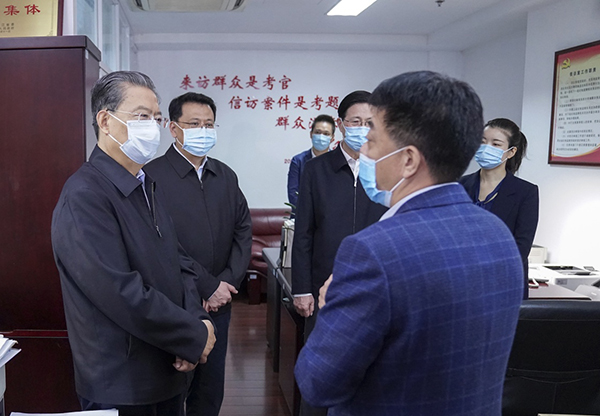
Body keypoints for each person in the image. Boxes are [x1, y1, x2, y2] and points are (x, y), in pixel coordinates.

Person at [294, 71, 524, 416]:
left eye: (372, 141)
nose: (364, 150)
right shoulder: (498, 234)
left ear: (408, 160)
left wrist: (331, 308)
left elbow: (318, 382)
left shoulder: (373, 252)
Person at [51, 71, 215, 416]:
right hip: (124, 382)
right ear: (105, 121)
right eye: (142, 116)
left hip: (168, 368)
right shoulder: (84, 195)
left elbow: (179, 262)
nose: (152, 127)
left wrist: (199, 320)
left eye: (156, 118)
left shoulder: (145, 184)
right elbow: (119, 292)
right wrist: (191, 335)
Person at [144, 92, 252, 416]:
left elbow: (243, 229)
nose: (203, 131)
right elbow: (159, 243)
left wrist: (226, 283)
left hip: (220, 303)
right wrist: (205, 286)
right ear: (173, 128)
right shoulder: (151, 177)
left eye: (209, 124)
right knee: (173, 390)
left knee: (210, 391)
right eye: (194, 124)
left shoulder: (225, 175)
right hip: (176, 302)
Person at [292, 91, 386, 416]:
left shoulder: (386, 169)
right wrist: (301, 289)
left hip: (374, 288)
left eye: (369, 122)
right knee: (321, 372)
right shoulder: (317, 170)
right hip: (324, 290)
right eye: (355, 121)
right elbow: (303, 233)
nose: (362, 128)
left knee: (368, 374)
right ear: (341, 124)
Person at [460, 118, 539, 299]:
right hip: (462, 281)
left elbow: (521, 246)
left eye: (496, 144)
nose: (486, 148)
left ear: (511, 152)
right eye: (482, 141)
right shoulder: (460, 185)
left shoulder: (525, 192)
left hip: (504, 284)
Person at [287, 114, 336, 211]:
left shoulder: (338, 161)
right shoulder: (298, 161)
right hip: (302, 215)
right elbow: (293, 194)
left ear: (332, 138)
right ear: (311, 134)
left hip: (331, 216)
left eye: (326, 134)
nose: (321, 137)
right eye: (317, 132)